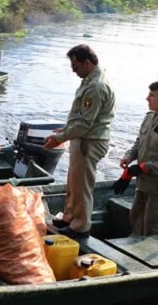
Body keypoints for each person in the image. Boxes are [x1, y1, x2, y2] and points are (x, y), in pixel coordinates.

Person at [45, 44, 115, 238]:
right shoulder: (89, 79)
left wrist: (59, 138)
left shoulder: (96, 86)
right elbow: (80, 116)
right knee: (73, 181)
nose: (73, 70)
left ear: (87, 62)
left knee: (82, 185)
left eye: (75, 65)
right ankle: (69, 216)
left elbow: (84, 124)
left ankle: (81, 226)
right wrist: (66, 130)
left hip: (90, 141)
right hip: (82, 137)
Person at [113, 81, 158, 236]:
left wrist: (144, 167)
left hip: (156, 188)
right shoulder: (149, 117)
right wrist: (129, 157)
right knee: (136, 219)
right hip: (142, 184)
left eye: (152, 95)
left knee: (151, 228)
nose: (147, 98)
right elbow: (139, 143)